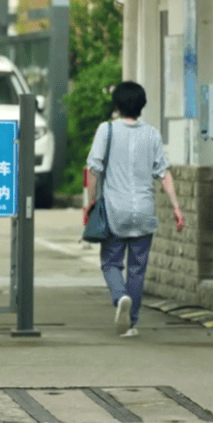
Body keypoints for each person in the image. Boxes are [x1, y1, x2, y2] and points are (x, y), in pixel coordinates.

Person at [84, 81, 186, 338]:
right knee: (137, 268)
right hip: (143, 210)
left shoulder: (106, 130)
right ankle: (131, 323)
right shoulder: (152, 134)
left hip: (115, 210)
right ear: (142, 106)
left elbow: (94, 169)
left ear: (117, 105)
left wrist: (91, 201)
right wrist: (176, 207)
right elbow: (163, 174)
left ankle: (120, 299)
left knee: (110, 262)